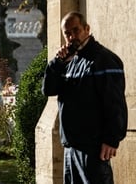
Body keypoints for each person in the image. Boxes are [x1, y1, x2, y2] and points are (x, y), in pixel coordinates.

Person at [42, 11, 127, 183]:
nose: (72, 36)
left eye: (76, 30)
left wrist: (111, 139)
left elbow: (115, 103)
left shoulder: (104, 60)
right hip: (71, 147)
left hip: (93, 148)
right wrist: (56, 64)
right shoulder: (70, 61)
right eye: (67, 33)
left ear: (87, 29)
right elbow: (48, 90)